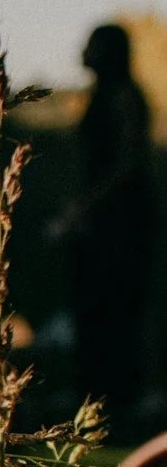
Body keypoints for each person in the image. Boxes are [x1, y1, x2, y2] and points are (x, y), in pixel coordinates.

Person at [54, 23, 156, 433]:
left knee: (116, 309)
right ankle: (95, 397)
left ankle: (117, 401)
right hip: (101, 221)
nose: (83, 49)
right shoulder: (101, 97)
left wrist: (83, 207)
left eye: (92, 43)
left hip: (119, 224)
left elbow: (128, 164)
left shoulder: (124, 97)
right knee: (95, 310)